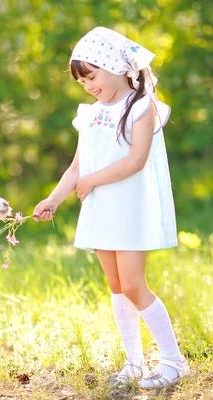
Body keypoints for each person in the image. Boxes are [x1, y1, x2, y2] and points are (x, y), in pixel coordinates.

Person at [33, 27, 189, 389]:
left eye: (92, 76)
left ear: (115, 66)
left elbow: (136, 161)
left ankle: (173, 361)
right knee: (116, 285)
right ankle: (134, 362)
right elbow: (77, 167)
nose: (87, 86)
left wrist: (92, 181)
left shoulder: (141, 105)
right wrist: (53, 199)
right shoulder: (89, 114)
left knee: (134, 284)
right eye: (81, 81)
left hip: (129, 209)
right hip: (102, 208)